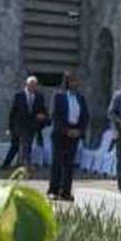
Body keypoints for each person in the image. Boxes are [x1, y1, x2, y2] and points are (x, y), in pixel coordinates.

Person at [48, 71, 89, 200]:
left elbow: (85, 116)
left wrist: (79, 131)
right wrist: (66, 130)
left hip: (75, 133)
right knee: (57, 163)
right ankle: (53, 190)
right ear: (66, 82)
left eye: (75, 80)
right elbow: (55, 115)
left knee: (69, 164)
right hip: (61, 133)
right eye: (71, 80)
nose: (74, 83)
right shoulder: (58, 96)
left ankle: (66, 191)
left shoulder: (80, 98)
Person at [5, 75, 48, 170]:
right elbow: (13, 112)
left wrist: (42, 116)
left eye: (35, 85)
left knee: (26, 145)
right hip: (19, 125)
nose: (33, 87)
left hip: (32, 126)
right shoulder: (19, 96)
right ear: (26, 84)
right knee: (19, 145)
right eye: (31, 85)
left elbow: (43, 110)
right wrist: (10, 127)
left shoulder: (39, 97)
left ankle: (23, 166)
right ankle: (21, 165)